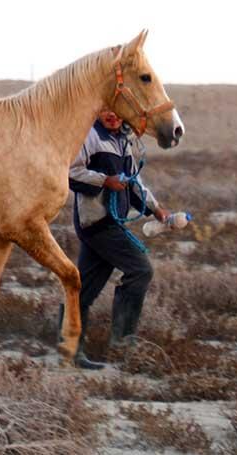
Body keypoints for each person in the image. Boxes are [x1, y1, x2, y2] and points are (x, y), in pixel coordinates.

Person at [63, 108, 170, 370]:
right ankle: (122, 345)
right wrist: (105, 181)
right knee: (140, 270)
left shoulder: (125, 140)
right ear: (98, 111)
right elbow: (70, 171)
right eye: (107, 111)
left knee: (83, 289)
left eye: (117, 112)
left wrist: (155, 209)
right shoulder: (89, 137)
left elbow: (134, 183)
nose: (113, 116)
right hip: (97, 223)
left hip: (108, 223)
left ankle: (69, 350)